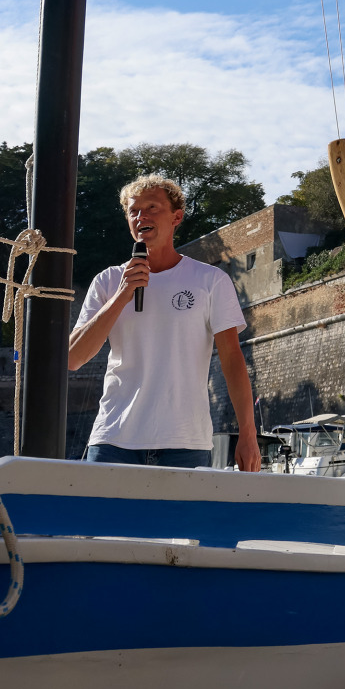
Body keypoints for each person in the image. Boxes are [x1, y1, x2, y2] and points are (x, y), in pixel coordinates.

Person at [68, 175, 262, 471]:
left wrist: (248, 434)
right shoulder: (108, 281)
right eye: (133, 211)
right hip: (114, 440)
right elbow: (73, 358)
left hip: (184, 444)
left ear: (177, 217)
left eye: (152, 207)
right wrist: (122, 295)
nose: (140, 216)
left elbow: (232, 360)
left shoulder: (210, 280)